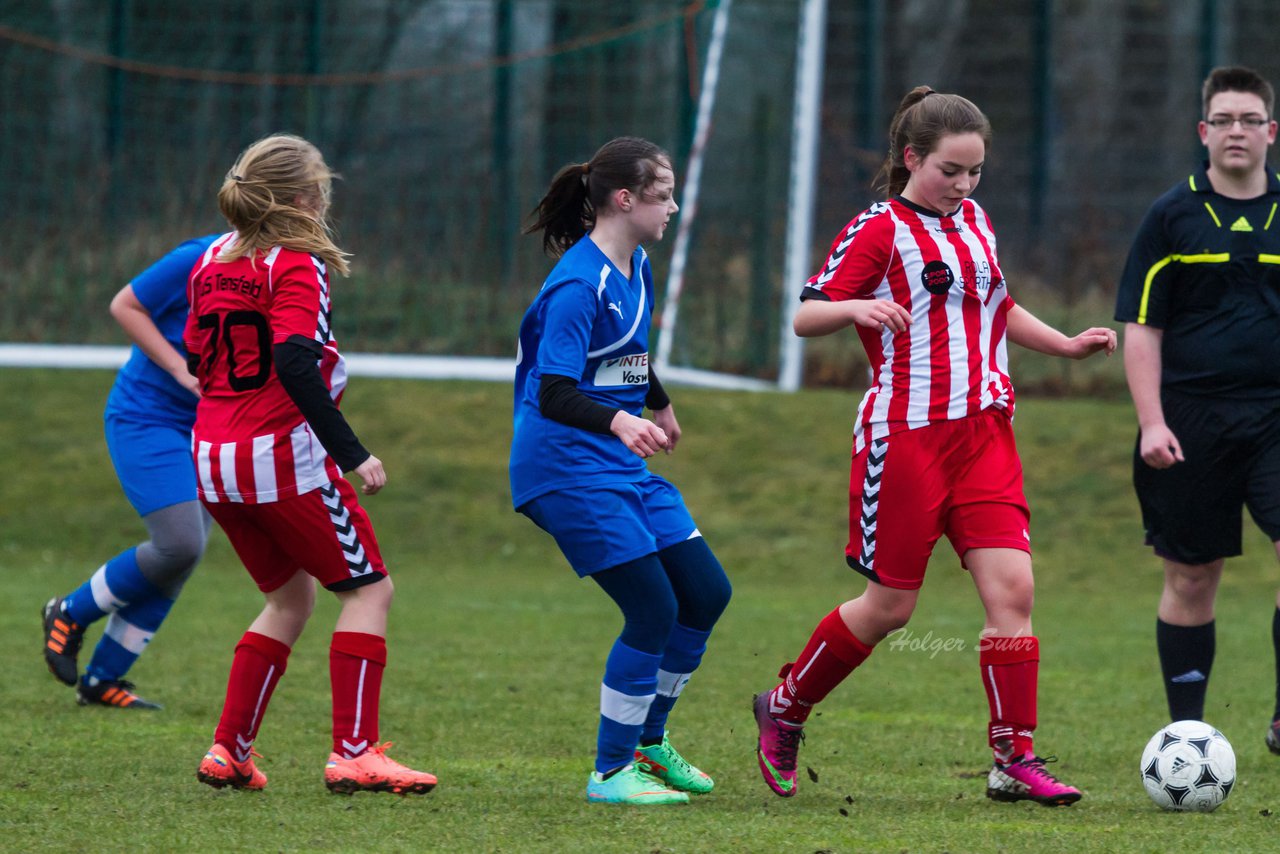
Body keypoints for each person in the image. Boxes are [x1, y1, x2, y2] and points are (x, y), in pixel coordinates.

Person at [752, 87, 1117, 806]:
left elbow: (998, 306)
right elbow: (804, 316)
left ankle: (1014, 758)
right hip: (907, 438)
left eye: (975, 171)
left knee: (1015, 590)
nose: (964, 185)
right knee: (890, 608)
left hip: (985, 434)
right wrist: (855, 305)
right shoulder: (878, 230)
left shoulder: (975, 221)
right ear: (912, 158)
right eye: (951, 170)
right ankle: (786, 705)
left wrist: (1065, 346)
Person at [185, 133, 437, 795]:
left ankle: (229, 751)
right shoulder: (293, 262)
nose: (326, 200)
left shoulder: (210, 258)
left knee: (288, 598)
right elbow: (296, 360)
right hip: (276, 459)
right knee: (368, 590)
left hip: (211, 456)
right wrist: (354, 454)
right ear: (300, 198)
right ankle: (354, 752)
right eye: (322, 188)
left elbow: (195, 356)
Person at [510, 136, 733, 805]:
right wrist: (619, 420)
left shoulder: (634, 266)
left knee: (704, 593)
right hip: (565, 466)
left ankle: (648, 743)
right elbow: (554, 390)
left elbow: (625, 351)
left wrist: (657, 404)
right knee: (652, 608)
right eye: (663, 196)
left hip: (616, 461)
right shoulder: (578, 285)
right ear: (624, 199)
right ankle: (610, 774)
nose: (673, 208)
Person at [1115, 66, 1280, 748]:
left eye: (1249, 119)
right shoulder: (1171, 216)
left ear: (1271, 132)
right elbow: (1142, 329)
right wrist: (1152, 420)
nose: (1236, 131)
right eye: (1224, 120)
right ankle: (1188, 734)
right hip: (1188, 421)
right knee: (1191, 576)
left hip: (1276, 416)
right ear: (1203, 132)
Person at [41, 235, 219, 709]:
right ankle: (69, 612)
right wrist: (182, 370)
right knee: (179, 542)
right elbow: (125, 305)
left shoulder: (286, 270)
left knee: (183, 557)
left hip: (212, 425)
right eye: (304, 200)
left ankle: (102, 680)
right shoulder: (199, 257)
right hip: (148, 415)